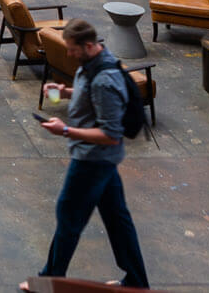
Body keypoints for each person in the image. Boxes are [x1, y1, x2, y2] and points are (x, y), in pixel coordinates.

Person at [23, 20, 149, 291]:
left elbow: (111, 133)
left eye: (72, 49)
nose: (68, 54)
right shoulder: (94, 63)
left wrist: (65, 129)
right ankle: (137, 283)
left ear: (89, 45)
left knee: (68, 216)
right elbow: (88, 94)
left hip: (93, 160)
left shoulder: (104, 80)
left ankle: (48, 283)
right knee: (118, 221)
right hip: (103, 160)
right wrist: (65, 92)